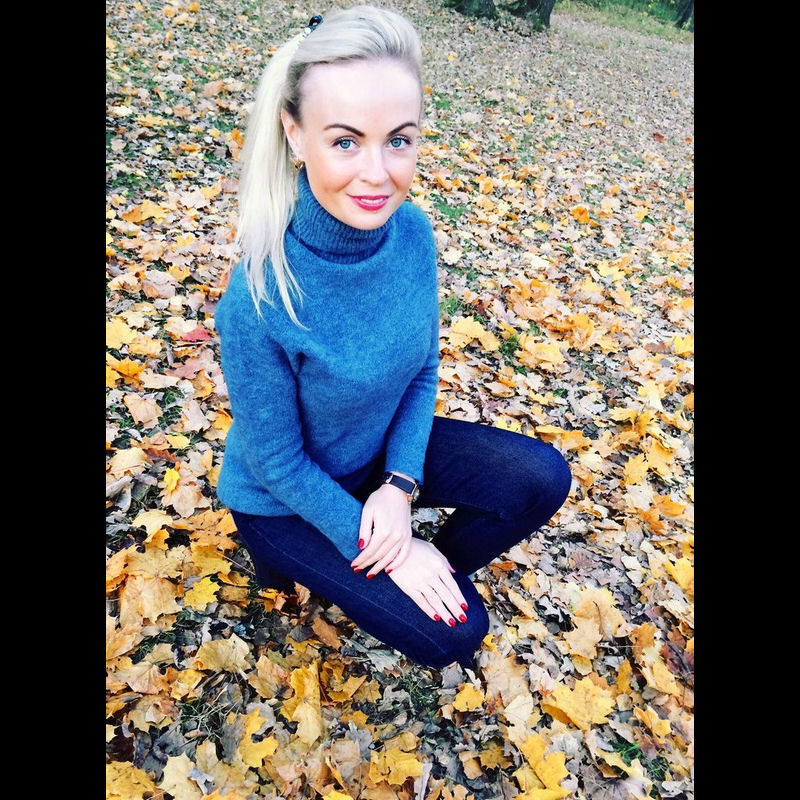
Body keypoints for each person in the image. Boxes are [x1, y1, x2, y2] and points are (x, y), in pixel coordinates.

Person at [214, 5, 572, 671]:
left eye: (398, 140)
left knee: (541, 478)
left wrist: (399, 488)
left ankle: (423, 567)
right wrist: (385, 545)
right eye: (345, 141)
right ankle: (371, 568)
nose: (378, 174)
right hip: (281, 501)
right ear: (295, 135)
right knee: (456, 635)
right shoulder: (259, 296)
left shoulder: (413, 235)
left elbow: (423, 368)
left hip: (376, 459)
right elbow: (276, 463)